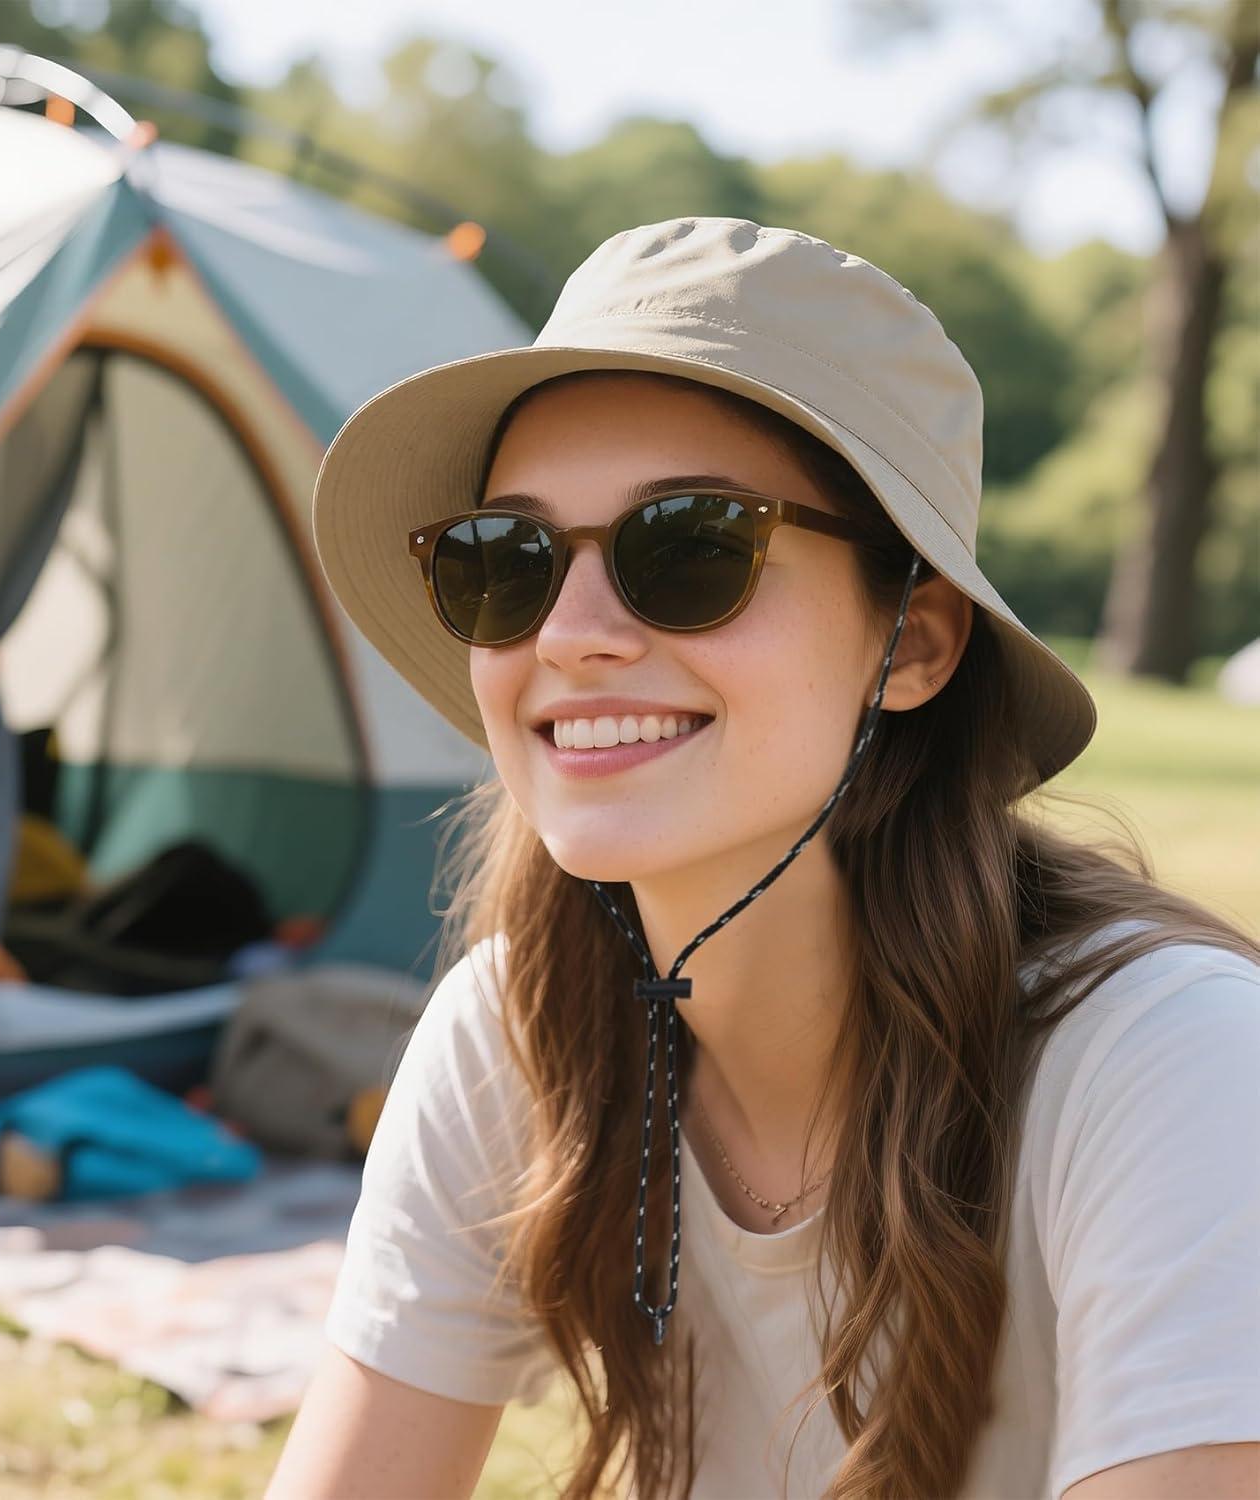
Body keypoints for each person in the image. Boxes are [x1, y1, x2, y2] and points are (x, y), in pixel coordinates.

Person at [265, 220, 1260, 1499]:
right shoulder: (518, 1039)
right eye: (503, 560)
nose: (570, 636)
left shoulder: (1169, 1064)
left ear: (913, 645)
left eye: (688, 547)